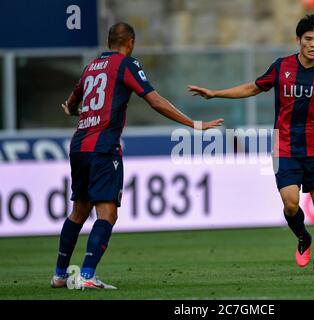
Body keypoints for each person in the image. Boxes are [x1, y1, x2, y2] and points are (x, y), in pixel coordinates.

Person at [188, 15, 314, 275]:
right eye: (308, 39)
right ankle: (303, 237)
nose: (313, 44)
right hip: (284, 147)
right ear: (298, 40)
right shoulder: (281, 67)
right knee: (291, 203)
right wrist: (215, 93)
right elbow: (253, 88)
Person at [51, 22, 223, 290]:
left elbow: (71, 104)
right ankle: (86, 275)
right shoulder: (126, 64)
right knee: (107, 213)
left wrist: (79, 112)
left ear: (109, 42)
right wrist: (193, 124)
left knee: (78, 211)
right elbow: (154, 101)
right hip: (103, 148)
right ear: (130, 43)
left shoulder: (91, 67)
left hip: (79, 146)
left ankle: (60, 274)